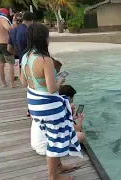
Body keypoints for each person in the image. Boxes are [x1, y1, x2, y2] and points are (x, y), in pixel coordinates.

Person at [20, 23, 81, 180]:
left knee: (53, 136)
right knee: (55, 141)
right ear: (43, 38)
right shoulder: (45, 60)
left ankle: (59, 167)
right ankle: (54, 176)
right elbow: (52, 88)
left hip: (34, 103)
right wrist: (60, 79)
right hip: (49, 107)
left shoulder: (25, 56)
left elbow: (24, 83)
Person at [0, 8, 16, 87]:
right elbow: (8, 28)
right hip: (5, 43)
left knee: (0, 64)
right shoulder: (2, 19)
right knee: (10, 63)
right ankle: (12, 83)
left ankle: (3, 83)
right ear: (4, 14)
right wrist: (13, 25)